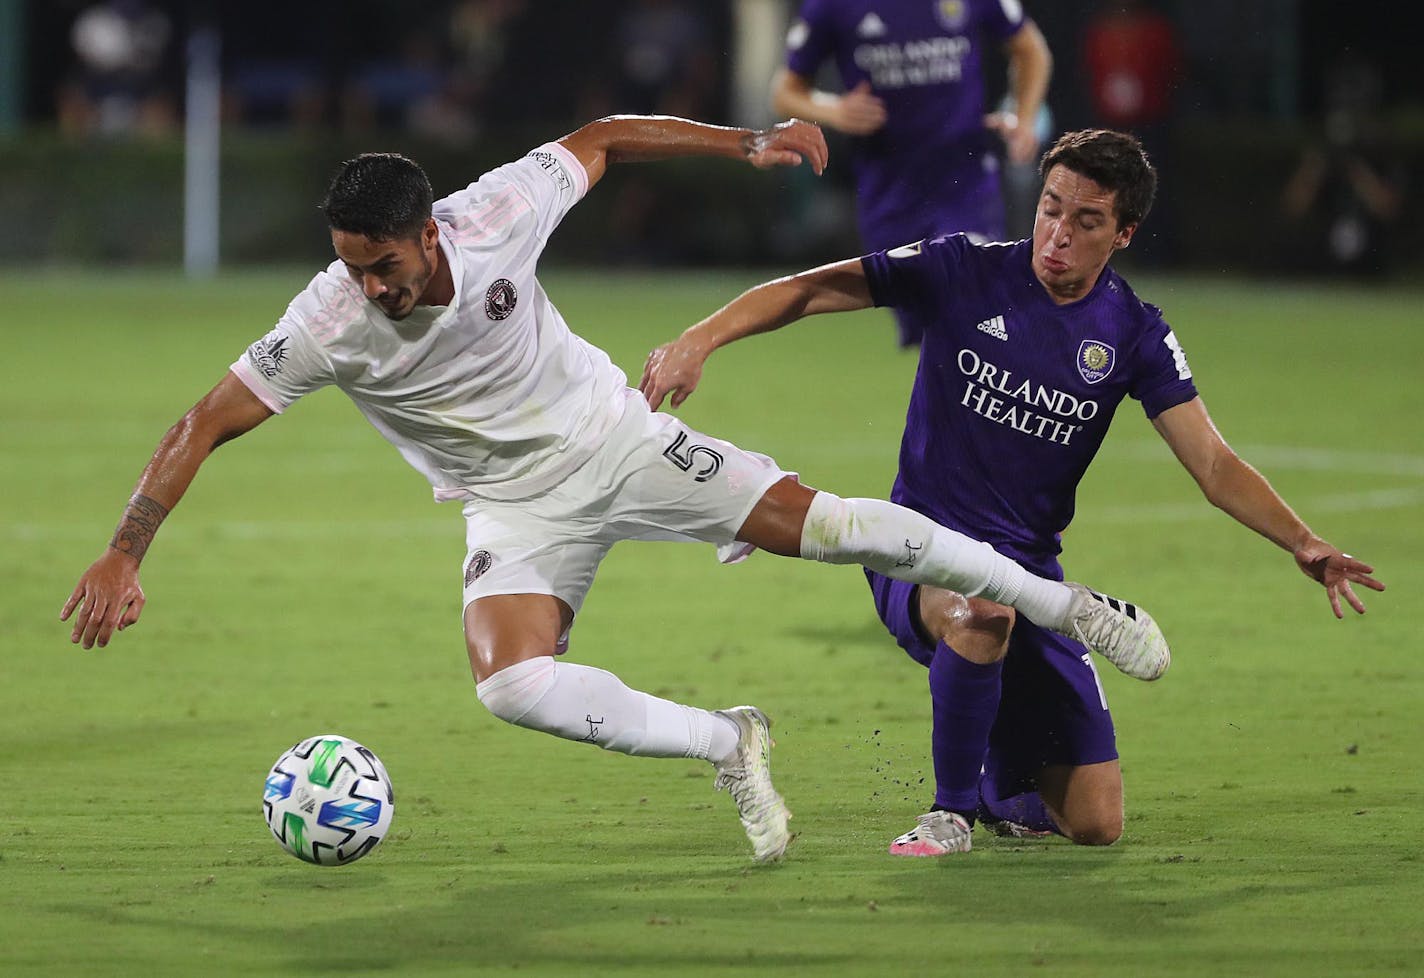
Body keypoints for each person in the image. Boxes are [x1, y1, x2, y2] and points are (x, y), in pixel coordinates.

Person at [62, 115, 1170, 864]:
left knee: (829, 529)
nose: (368, 284)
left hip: (616, 439)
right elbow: (205, 419)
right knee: (507, 685)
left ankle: (1064, 608)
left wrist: (747, 144)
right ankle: (727, 744)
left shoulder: (494, 215)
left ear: (426, 233)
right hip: (512, 509)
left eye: (381, 264)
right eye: (350, 265)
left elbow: (601, 138)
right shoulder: (327, 321)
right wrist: (126, 547)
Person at [641, 128, 1385, 856]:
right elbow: (811, 289)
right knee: (980, 612)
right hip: (919, 553)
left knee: (1095, 825)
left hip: (1034, 575)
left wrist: (1304, 541)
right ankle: (948, 814)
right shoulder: (964, 268)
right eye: (1050, 207)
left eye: (1085, 220)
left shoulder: (1133, 334)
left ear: (1123, 234)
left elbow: (1215, 465)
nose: (1057, 232)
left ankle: (994, 777)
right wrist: (699, 339)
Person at [771, 0, 1052, 347]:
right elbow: (785, 90)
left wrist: (1024, 118)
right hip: (889, 191)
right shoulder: (833, 6)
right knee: (927, 331)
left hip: (964, 180)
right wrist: (834, 110)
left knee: (972, 299)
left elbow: (1030, 49)